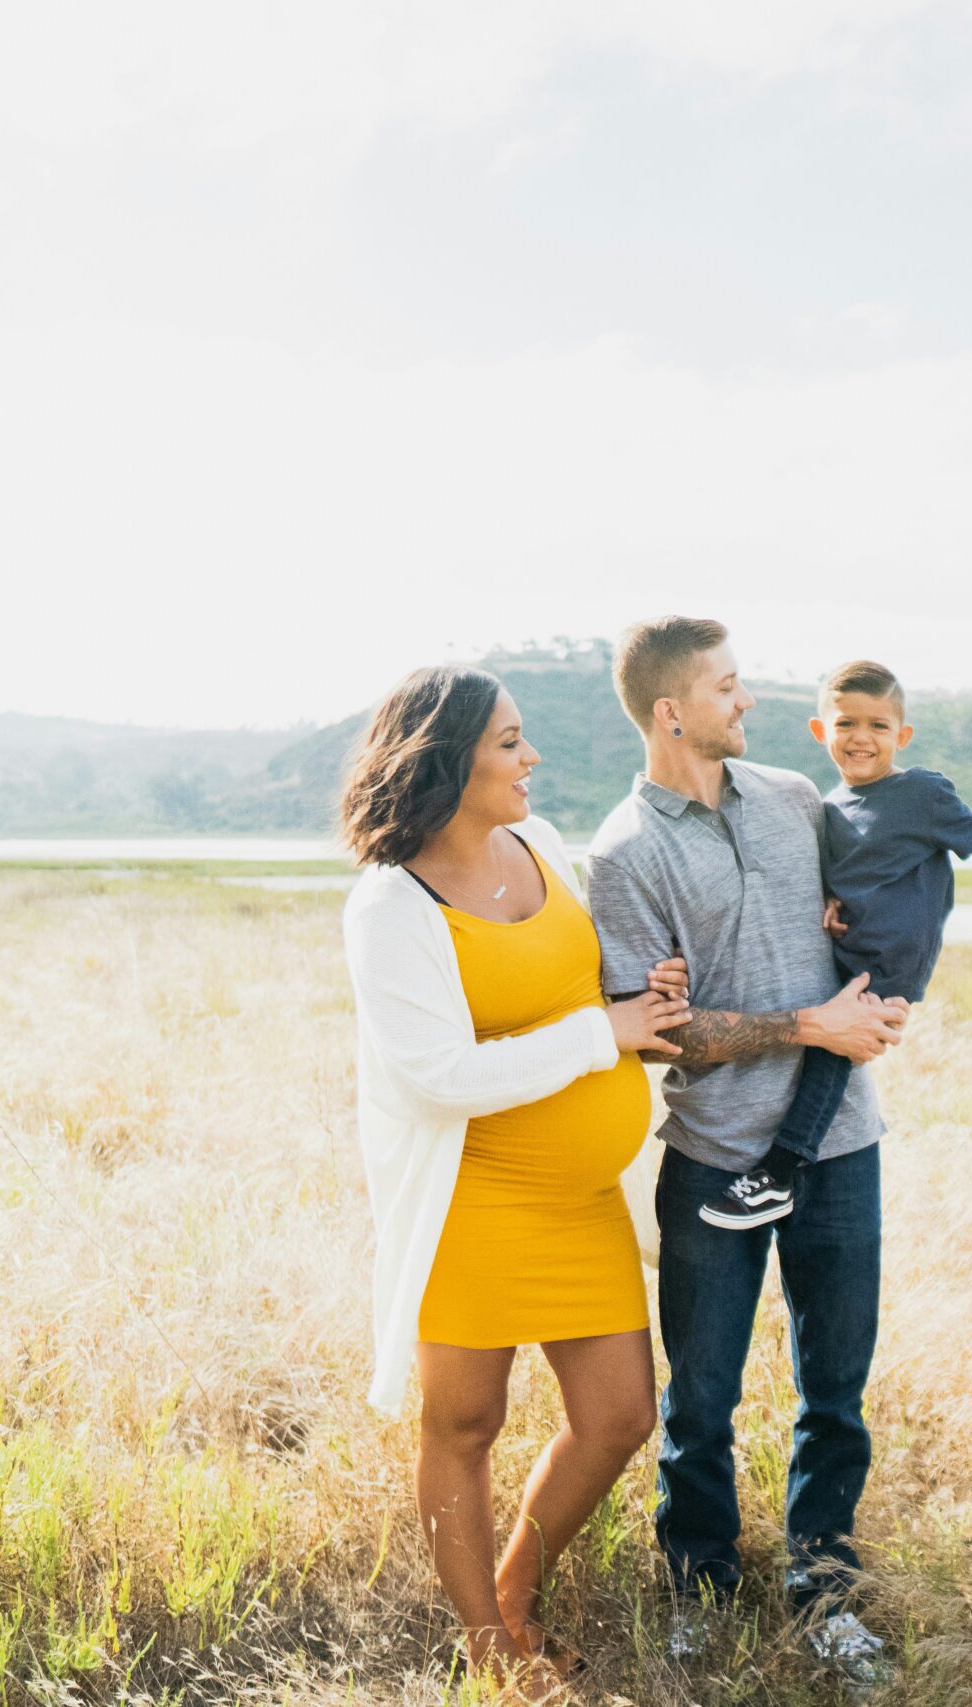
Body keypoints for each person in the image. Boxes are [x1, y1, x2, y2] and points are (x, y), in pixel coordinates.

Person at [337, 665, 691, 1691]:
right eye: (508, 742)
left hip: (580, 1200)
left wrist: (642, 995)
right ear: (446, 762)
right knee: (463, 1424)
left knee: (620, 1416)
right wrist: (603, 1033)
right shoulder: (391, 905)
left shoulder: (541, 844)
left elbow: (580, 989)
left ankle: (513, 1594)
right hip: (474, 1199)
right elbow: (438, 1076)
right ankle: (490, 1649)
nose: (531, 756)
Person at [583, 616, 907, 1684]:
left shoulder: (797, 799)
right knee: (700, 1401)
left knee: (835, 1392)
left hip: (839, 1144)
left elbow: (863, 914)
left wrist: (874, 979)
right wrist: (807, 1025)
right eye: (727, 686)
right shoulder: (625, 853)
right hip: (715, 1155)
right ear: (672, 711)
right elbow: (660, 1036)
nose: (747, 700)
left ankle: (825, 1592)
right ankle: (701, 1594)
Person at [696, 657, 972, 1230]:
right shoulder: (830, 808)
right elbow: (844, 873)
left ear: (902, 735)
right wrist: (830, 900)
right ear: (821, 731)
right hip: (845, 951)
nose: (861, 737)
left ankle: (780, 1170)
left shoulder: (922, 792)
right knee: (817, 1036)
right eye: (846, 724)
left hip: (889, 960)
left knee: (830, 1053)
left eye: (878, 725)